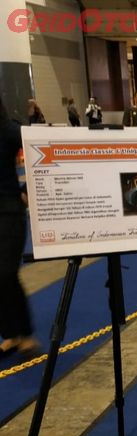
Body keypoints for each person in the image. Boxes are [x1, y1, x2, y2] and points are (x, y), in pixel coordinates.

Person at [0, 95, 41, 358]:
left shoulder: (9, 130)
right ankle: (12, 334)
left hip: (8, 213)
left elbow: (40, 152)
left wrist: (26, 190)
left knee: (5, 273)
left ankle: (24, 333)